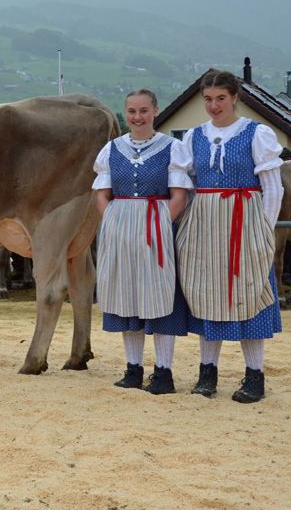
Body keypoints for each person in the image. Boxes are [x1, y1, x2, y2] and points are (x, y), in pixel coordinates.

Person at [171, 69, 284, 404]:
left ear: (235, 97)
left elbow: (273, 188)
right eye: (208, 99)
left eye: (221, 98)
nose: (214, 105)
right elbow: (183, 183)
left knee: (251, 292)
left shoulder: (256, 133)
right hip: (204, 225)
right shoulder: (193, 137)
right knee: (207, 294)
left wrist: (264, 231)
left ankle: (255, 376)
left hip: (244, 221)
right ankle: (208, 373)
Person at [92, 89, 189, 394]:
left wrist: (160, 224)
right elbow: (101, 194)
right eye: (132, 111)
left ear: (155, 111)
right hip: (120, 230)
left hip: (156, 226)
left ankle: (164, 372)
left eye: (144, 110)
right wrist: (114, 222)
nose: (137, 117)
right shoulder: (112, 149)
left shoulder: (172, 147)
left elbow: (179, 195)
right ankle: (133, 369)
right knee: (126, 296)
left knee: (159, 297)